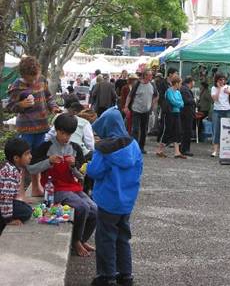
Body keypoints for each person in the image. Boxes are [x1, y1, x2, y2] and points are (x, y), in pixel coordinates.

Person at [27, 113, 97, 257]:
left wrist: (74, 166)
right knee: (82, 207)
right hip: (55, 189)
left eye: (69, 134)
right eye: (62, 133)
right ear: (56, 130)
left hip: (73, 187)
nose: (65, 137)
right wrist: (49, 161)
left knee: (95, 209)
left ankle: (82, 239)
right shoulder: (46, 147)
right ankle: (76, 241)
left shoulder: (75, 148)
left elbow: (82, 176)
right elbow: (31, 169)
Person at [87, 107, 143, 286]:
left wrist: (86, 167)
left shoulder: (103, 149)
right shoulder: (133, 145)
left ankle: (107, 276)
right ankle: (125, 275)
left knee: (105, 239)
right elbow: (139, 168)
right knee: (123, 237)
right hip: (127, 201)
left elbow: (95, 172)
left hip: (107, 200)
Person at [7, 56, 61, 197]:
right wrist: (21, 105)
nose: (33, 81)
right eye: (29, 79)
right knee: (22, 161)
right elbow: (8, 106)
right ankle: (20, 193)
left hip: (42, 127)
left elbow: (48, 97)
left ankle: (36, 187)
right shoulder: (17, 85)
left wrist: (54, 107)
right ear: (23, 75)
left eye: (34, 77)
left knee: (37, 158)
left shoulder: (42, 80)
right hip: (26, 130)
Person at [0, 138, 33, 235]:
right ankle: (3, 220)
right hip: (2, 203)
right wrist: (9, 219)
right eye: (27, 154)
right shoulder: (10, 174)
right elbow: (5, 198)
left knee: (25, 207)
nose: (30, 156)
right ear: (16, 158)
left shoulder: (14, 168)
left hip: (4, 201)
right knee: (26, 212)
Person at [124, 69, 158, 154]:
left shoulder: (152, 85)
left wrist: (152, 104)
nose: (151, 77)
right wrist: (126, 106)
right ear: (145, 76)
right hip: (136, 109)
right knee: (135, 129)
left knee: (144, 129)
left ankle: (141, 147)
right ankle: (134, 147)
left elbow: (156, 96)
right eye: (150, 75)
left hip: (146, 111)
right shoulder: (137, 84)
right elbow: (130, 96)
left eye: (151, 75)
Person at [156, 76, 186, 159]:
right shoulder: (169, 91)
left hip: (177, 113)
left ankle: (177, 152)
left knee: (178, 131)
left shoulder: (178, 92)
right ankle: (159, 150)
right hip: (169, 114)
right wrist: (179, 104)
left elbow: (182, 102)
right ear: (176, 83)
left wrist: (179, 103)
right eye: (180, 83)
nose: (181, 85)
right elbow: (172, 101)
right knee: (167, 131)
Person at [211, 73, 230, 158]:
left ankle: (225, 150)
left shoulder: (228, 87)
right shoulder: (213, 88)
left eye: (223, 79)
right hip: (217, 111)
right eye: (220, 80)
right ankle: (215, 150)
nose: (222, 81)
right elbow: (215, 99)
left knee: (227, 131)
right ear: (217, 80)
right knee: (216, 130)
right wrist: (219, 89)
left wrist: (229, 92)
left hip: (227, 110)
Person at [157, 68, 178, 144]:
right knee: (164, 124)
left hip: (173, 106)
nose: (177, 75)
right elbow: (160, 95)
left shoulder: (174, 83)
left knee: (171, 124)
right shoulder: (163, 83)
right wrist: (163, 104)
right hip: (165, 106)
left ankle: (168, 140)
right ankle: (160, 140)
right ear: (170, 74)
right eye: (175, 73)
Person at [180, 76, 196, 157]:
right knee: (186, 131)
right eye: (193, 81)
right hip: (186, 114)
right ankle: (185, 149)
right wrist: (194, 100)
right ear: (190, 82)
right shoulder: (184, 89)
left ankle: (183, 148)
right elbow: (186, 100)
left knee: (186, 131)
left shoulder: (185, 89)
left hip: (187, 113)